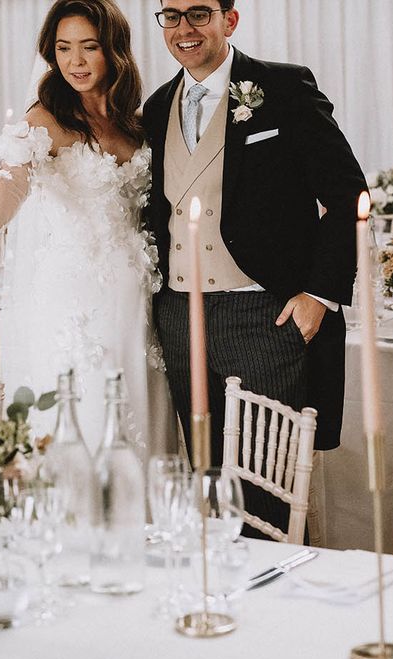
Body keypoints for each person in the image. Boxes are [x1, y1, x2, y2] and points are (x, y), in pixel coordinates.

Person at [143, 0, 367, 536]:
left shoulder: (283, 89)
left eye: (198, 14)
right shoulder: (154, 109)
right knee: (207, 483)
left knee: (268, 493)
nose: (184, 29)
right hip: (180, 317)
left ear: (230, 20)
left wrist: (319, 293)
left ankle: (281, 605)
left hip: (263, 314)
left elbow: (346, 193)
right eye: (171, 16)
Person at [0, 0, 175, 457]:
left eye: (88, 47)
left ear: (114, 50)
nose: (74, 62)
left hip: (136, 298)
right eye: (63, 48)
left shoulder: (136, 125)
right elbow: (9, 182)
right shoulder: (45, 120)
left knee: (136, 407)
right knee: (86, 407)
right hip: (73, 301)